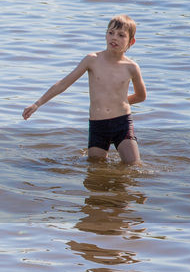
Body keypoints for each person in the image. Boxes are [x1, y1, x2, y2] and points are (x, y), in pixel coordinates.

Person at [22, 15, 147, 164]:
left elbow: (141, 96)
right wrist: (37, 104)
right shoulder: (92, 60)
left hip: (122, 123)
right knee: (95, 167)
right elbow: (64, 83)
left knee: (133, 166)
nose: (114, 38)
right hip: (98, 125)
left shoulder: (131, 67)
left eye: (121, 35)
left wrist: (119, 102)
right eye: (111, 33)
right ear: (106, 34)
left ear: (131, 42)